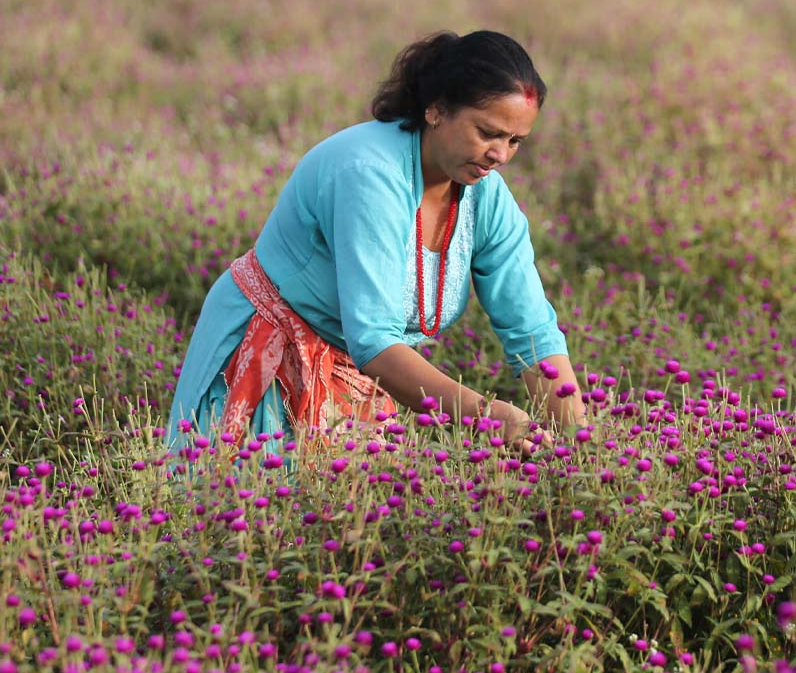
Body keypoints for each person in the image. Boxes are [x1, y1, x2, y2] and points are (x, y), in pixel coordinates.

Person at [167, 30, 585, 462]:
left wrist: (580, 449)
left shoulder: (486, 198)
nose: (499, 154)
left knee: (341, 517)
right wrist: (483, 414)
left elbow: (532, 333)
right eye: (487, 133)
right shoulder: (369, 175)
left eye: (515, 141)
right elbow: (374, 341)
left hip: (354, 370)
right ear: (437, 109)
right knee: (245, 510)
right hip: (268, 351)